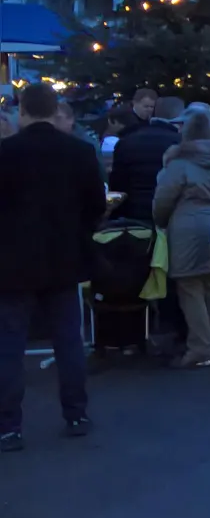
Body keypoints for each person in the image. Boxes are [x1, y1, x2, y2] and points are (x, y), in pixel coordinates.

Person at [0, 84, 104, 451]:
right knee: (68, 339)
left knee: (9, 345)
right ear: (53, 109)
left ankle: (9, 426)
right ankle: (76, 413)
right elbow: (95, 205)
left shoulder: (5, 153)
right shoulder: (79, 152)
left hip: (12, 262)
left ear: (22, 111)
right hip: (64, 258)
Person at [152, 111, 210, 368]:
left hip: (187, 228)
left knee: (189, 286)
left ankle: (200, 346)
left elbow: (163, 200)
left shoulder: (179, 163)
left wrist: (161, 222)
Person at [109, 96, 185, 222]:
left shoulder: (127, 140)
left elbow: (117, 182)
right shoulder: (182, 143)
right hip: (171, 214)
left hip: (134, 213)